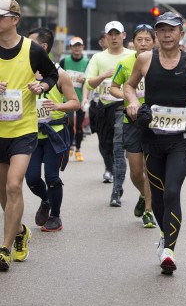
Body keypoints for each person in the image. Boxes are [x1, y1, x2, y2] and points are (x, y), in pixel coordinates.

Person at [124, 12, 186, 274]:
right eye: (161, 30)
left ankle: (169, 251)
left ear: (181, 34)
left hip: (180, 139)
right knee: (159, 194)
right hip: (152, 137)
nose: (167, 35)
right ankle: (165, 236)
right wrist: (133, 102)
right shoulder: (145, 59)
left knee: (172, 191)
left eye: (171, 30)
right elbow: (129, 86)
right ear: (156, 35)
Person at [0, 0, 58, 271]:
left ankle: (5, 248)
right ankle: (21, 231)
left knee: (14, 185)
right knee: (3, 190)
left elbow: (51, 75)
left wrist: (42, 86)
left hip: (23, 129)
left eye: (0, 16)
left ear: (14, 19)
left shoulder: (32, 49)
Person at [26, 28, 79, 232]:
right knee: (31, 178)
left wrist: (58, 106)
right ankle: (46, 200)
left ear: (43, 47)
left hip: (54, 133)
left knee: (51, 177)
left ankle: (55, 216)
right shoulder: (25, 71)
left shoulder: (60, 74)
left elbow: (75, 103)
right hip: (30, 132)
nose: (25, 46)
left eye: (30, 43)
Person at [109, 24, 156, 227]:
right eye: (139, 40)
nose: (143, 43)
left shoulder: (160, 62)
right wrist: (128, 96)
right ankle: (143, 195)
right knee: (136, 172)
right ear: (133, 42)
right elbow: (113, 87)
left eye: (147, 40)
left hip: (155, 122)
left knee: (149, 168)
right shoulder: (125, 63)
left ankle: (149, 211)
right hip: (132, 121)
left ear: (154, 42)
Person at [85, 21, 134, 184]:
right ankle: (109, 167)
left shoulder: (132, 56)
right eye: (110, 34)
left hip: (123, 105)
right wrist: (103, 76)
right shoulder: (98, 58)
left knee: (118, 140)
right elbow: (89, 83)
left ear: (123, 35)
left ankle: (118, 171)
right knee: (104, 142)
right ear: (105, 37)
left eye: (117, 34)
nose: (114, 38)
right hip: (104, 106)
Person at [59, 37, 89, 162]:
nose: (77, 48)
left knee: (80, 126)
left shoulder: (87, 62)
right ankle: (69, 146)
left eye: (79, 45)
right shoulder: (64, 61)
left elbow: (90, 80)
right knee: (70, 124)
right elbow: (57, 77)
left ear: (82, 47)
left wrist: (85, 80)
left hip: (81, 99)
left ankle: (78, 150)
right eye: (74, 46)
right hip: (67, 100)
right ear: (70, 48)